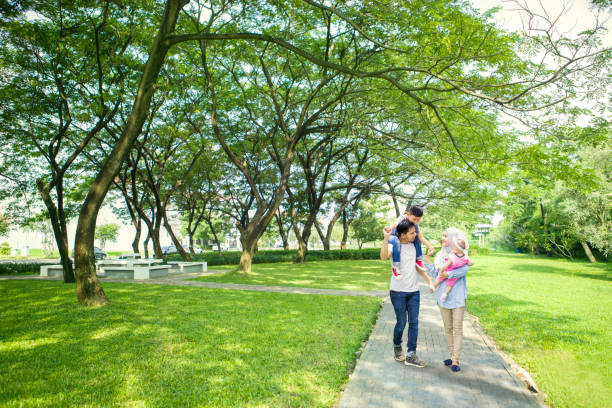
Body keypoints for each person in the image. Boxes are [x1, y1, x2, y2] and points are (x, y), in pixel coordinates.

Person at [381, 219, 435, 367]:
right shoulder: (395, 245)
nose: (414, 235)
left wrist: (429, 281)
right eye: (411, 233)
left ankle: (411, 354)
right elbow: (384, 256)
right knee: (401, 322)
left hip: (414, 292)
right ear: (403, 234)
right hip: (397, 292)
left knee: (414, 323)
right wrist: (386, 238)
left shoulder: (414, 247)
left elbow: (418, 267)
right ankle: (397, 346)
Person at [425, 228, 470, 372]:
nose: (442, 238)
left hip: (457, 298)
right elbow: (435, 274)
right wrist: (428, 259)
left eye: (446, 236)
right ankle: (452, 355)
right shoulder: (440, 255)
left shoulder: (462, 256)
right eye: (442, 235)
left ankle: (456, 359)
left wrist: (445, 273)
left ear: (453, 239)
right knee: (448, 329)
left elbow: (463, 271)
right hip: (443, 299)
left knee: (457, 329)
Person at [384, 205, 434, 276]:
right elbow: (395, 224)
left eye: (418, 220)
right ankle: (396, 266)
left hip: (404, 238)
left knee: (416, 236)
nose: (416, 222)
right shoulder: (403, 218)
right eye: (414, 219)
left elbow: (420, 237)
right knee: (396, 242)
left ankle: (419, 259)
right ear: (408, 215)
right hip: (394, 236)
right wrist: (389, 228)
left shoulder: (414, 224)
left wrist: (430, 246)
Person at [431, 236, 474, 301]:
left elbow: (446, 265)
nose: (451, 247)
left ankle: (434, 287)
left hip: (449, 270)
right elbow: (469, 263)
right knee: (450, 285)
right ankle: (444, 294)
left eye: (453, 246)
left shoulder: (453, 257)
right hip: (454, 273)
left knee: (439, 279)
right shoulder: (465, 257)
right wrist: (472, 262)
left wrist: (441, 271)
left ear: (456, 249)